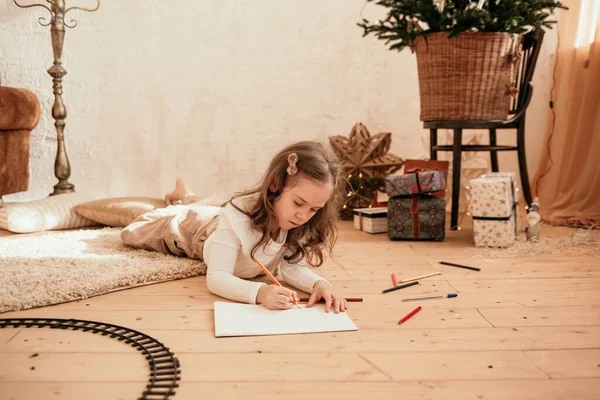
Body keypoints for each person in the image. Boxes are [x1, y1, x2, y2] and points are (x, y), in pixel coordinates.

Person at [121, 141, 348, 313]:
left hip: (218, 219)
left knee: (212, 210)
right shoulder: (237, 216)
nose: (304, 216)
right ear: (275, 185)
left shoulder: (299, 219)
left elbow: (291, 268)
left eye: (314, 209)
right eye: (299, 203)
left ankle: (187, 196)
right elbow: (217, 277)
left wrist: (319, 284)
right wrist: (259, 293)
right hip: (196, 231)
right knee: (132, 231)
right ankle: (180, 203)